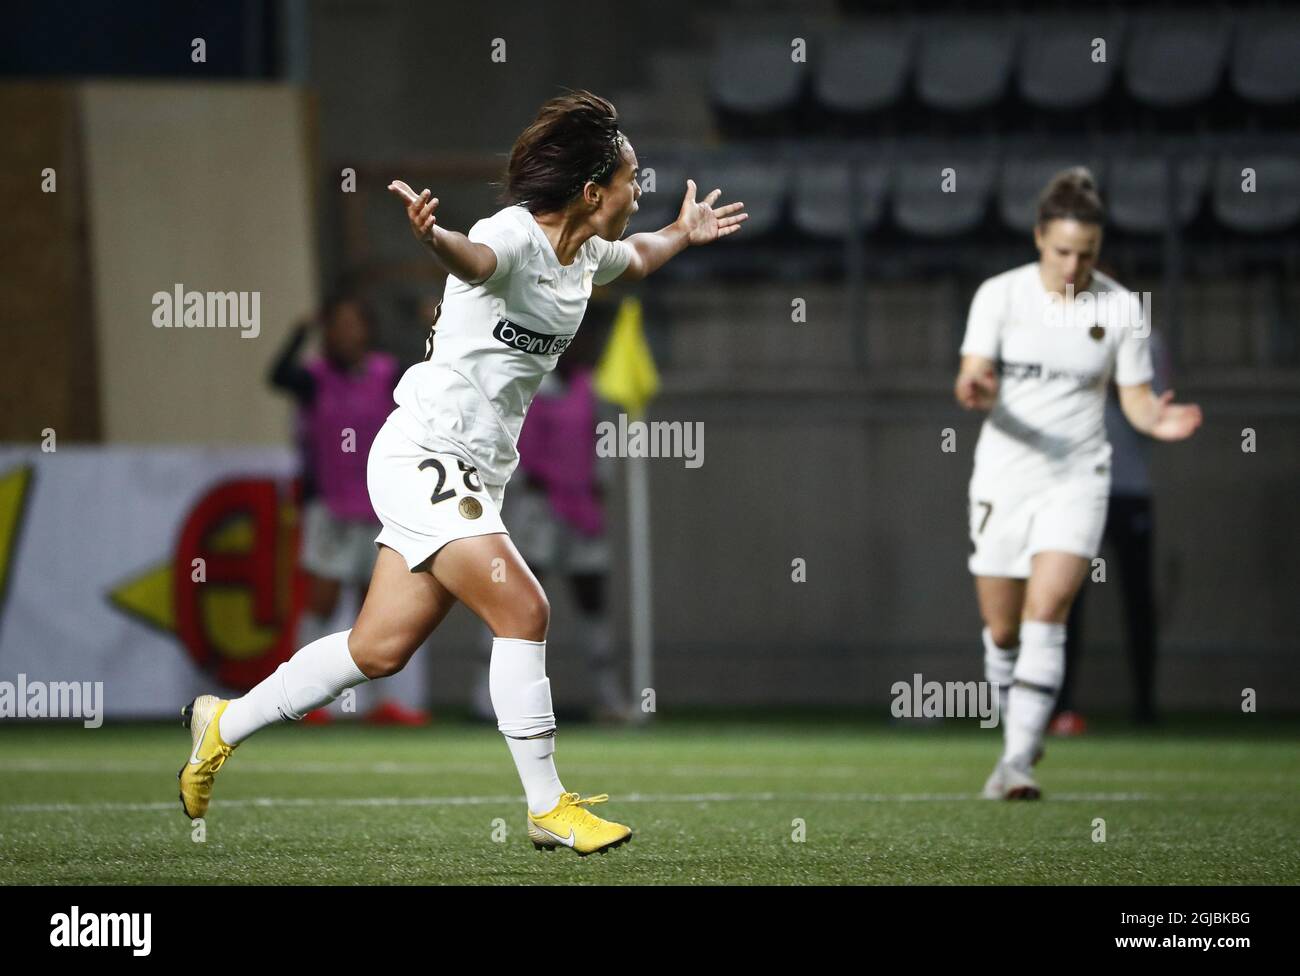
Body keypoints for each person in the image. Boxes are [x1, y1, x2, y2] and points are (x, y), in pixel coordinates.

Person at [177, 89, 748, 855]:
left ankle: (222, 723)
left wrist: (682, 230)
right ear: (591, 191)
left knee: (377, 650)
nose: (637, 192)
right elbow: (473, 259)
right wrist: (433, 235)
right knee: (526, 610)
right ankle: (547, 806)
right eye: (631, 180)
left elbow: (638, 257)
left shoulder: (585, 257)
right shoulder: (509, 235)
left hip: (475, 472)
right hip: (424, 453)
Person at [953, 167, 1201, 800]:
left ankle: (1015, 765)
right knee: (1004, 630)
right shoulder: (999, 296)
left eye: (1086, 254)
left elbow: (1137, 402)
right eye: (1063, 251)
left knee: (1049, 610)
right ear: (1039, 237)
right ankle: (1021, 730)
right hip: (1005, 475)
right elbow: (971, 377)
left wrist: (1160, 421)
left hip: (1078, 477)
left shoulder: (1121, 308)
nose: (1073, 266)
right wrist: (977, 387)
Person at [268, 296, 430, 726]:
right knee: (321, 601)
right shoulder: (314, 378)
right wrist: (300, 331)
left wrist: (430, 324)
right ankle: (300, 701)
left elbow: (428, 379)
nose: (345, 333)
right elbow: (275, 376)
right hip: (330, 507)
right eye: (336, 325)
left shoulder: (386, 374)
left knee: (376, 605)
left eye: (352, 323)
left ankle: (383, 704)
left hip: (380, 505)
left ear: (368, 329)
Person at [1051, 327, 1172, 735]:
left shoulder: (1146, 343)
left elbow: (1153, 418)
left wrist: (1113, 380)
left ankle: (1145, 704)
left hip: (1129, 489)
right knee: (1066, 599)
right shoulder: (1061, 337)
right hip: (1077, 490)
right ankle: (1061, 707)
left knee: (1138, 598)